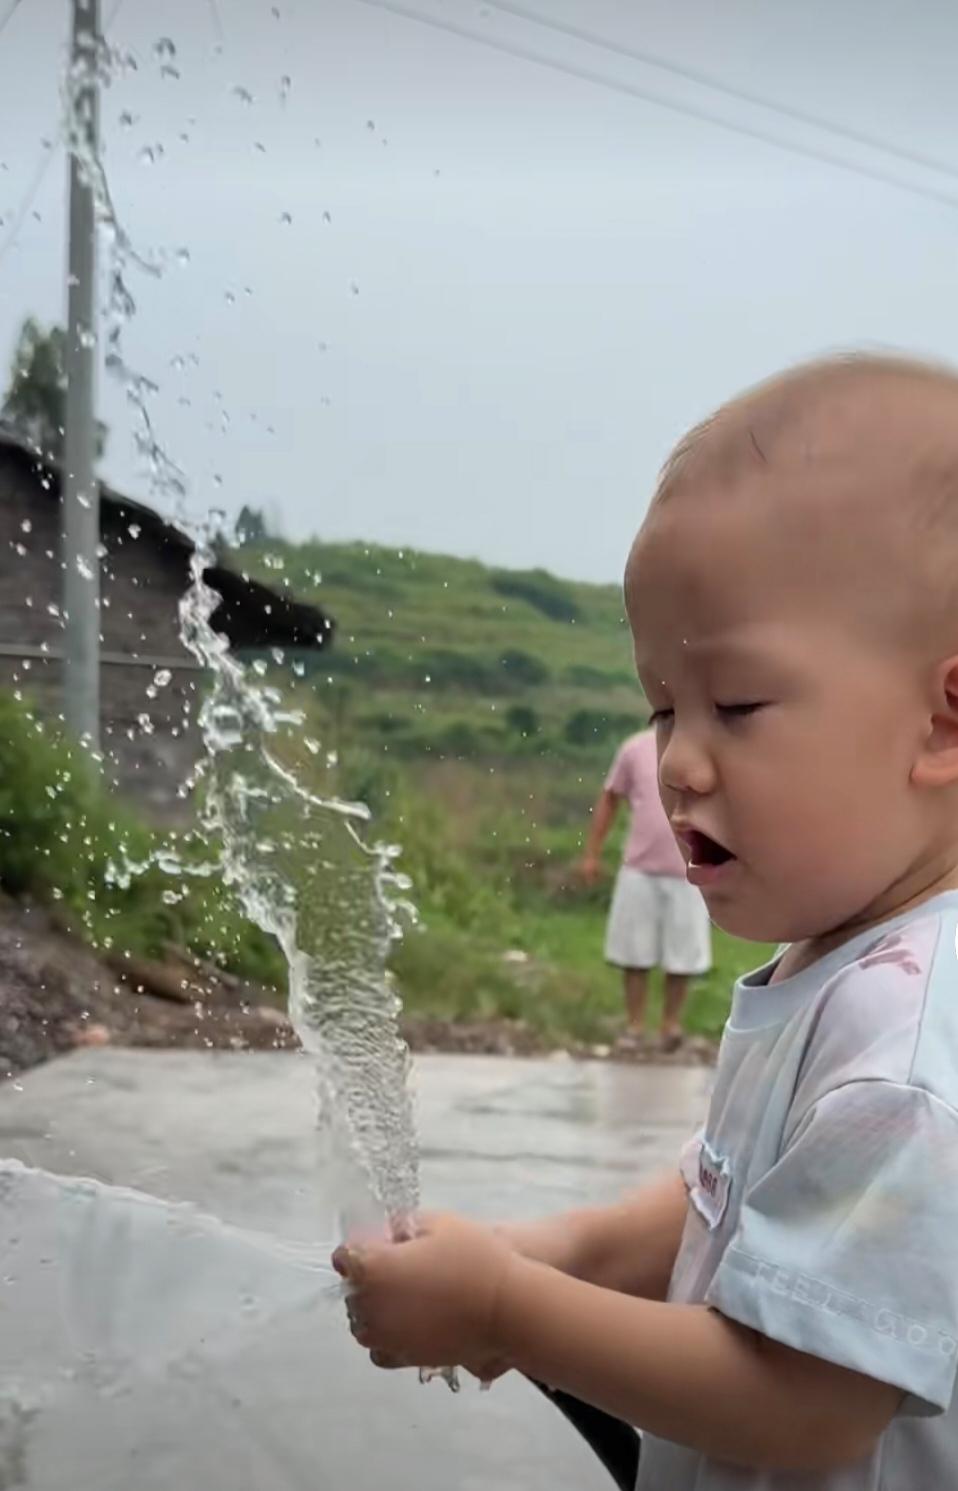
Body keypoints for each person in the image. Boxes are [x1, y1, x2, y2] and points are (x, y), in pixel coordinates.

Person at [335, 354, 958, 1487]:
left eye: (736, 703)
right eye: (661, 707)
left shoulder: (907, 1051)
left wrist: (508, 1307)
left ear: (943, 721)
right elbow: (720, 1193)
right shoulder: (838, 956)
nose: (679, 760)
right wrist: (556, 1254)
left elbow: (801, 1407)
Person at [581, 729, 711, 1051]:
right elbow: (610, 796)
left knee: (683, 954)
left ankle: (670, 1026)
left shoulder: (704, 749)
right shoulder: (635, 748)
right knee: (633, 953)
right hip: (640, 866)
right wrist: (592, 854)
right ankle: (635, 1026)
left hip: (689, 869)